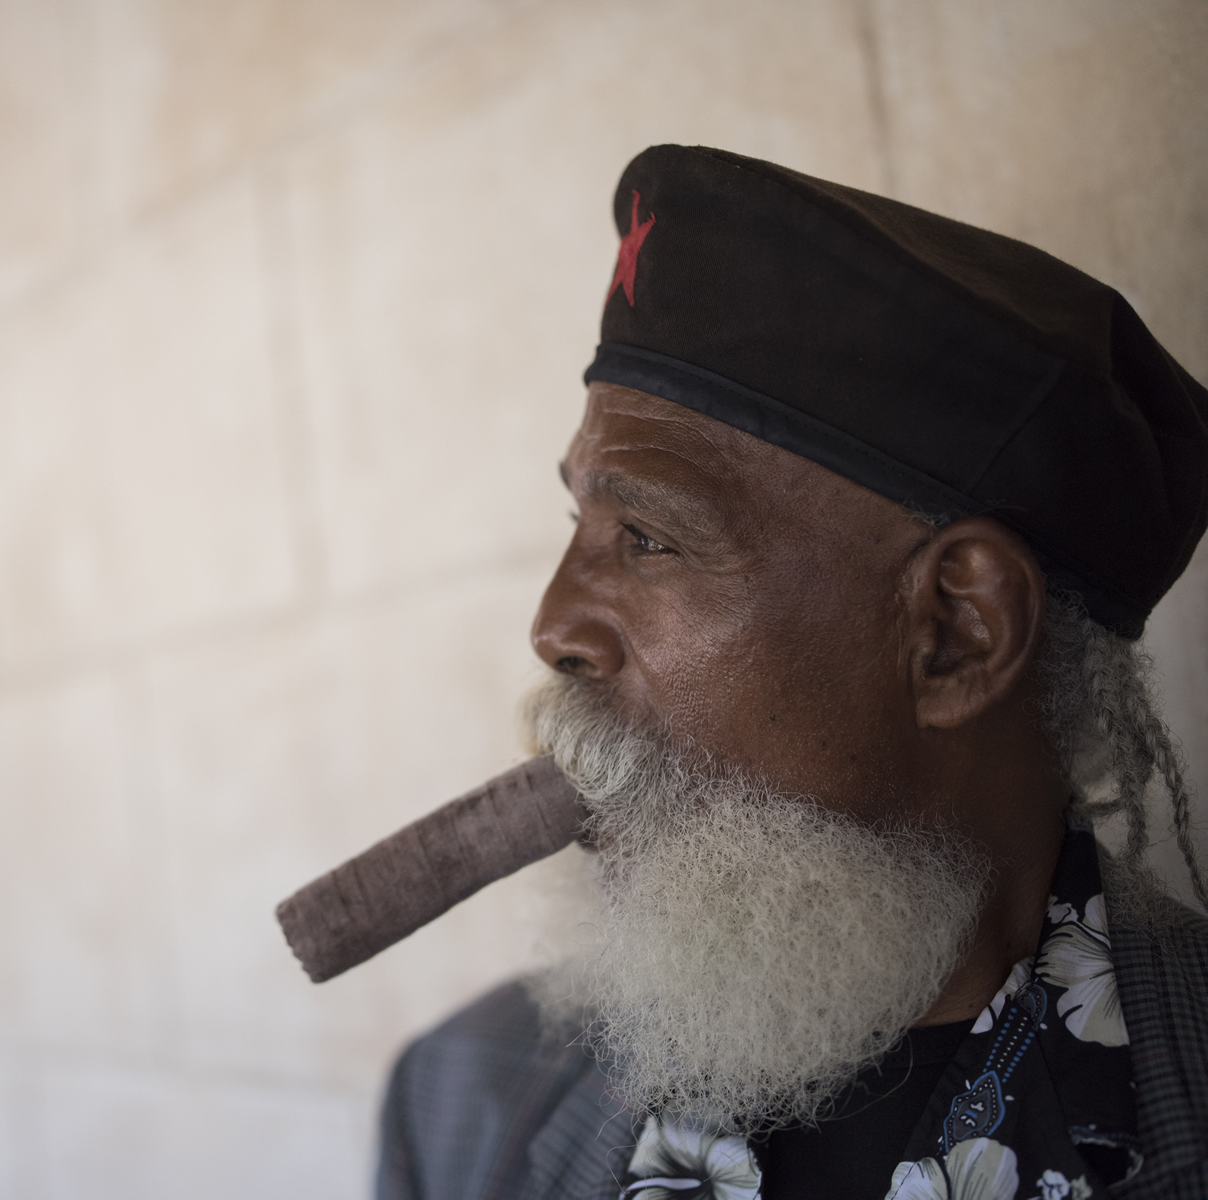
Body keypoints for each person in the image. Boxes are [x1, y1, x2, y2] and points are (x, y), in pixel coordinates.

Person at [376, 146, 1208, 1200]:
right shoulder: (456, 1105)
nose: (553, 626)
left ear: (957, 632)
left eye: (647, 536)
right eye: (576, 523)